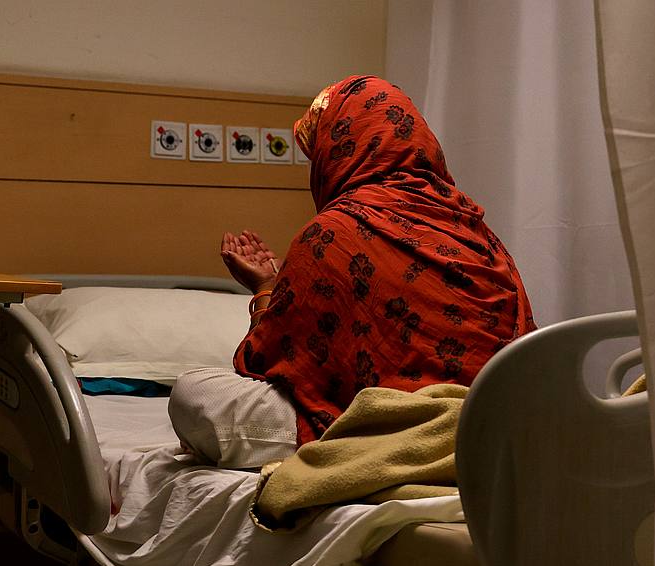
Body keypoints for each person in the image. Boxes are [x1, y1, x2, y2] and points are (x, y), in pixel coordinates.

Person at [168, 75, 535, 468]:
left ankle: (384, 448)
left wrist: (265, 288)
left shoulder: (332, 233)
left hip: (387, 426)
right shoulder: (474, 228)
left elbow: (266, 364)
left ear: (337, 151)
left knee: (195, 393)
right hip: (491, 424)